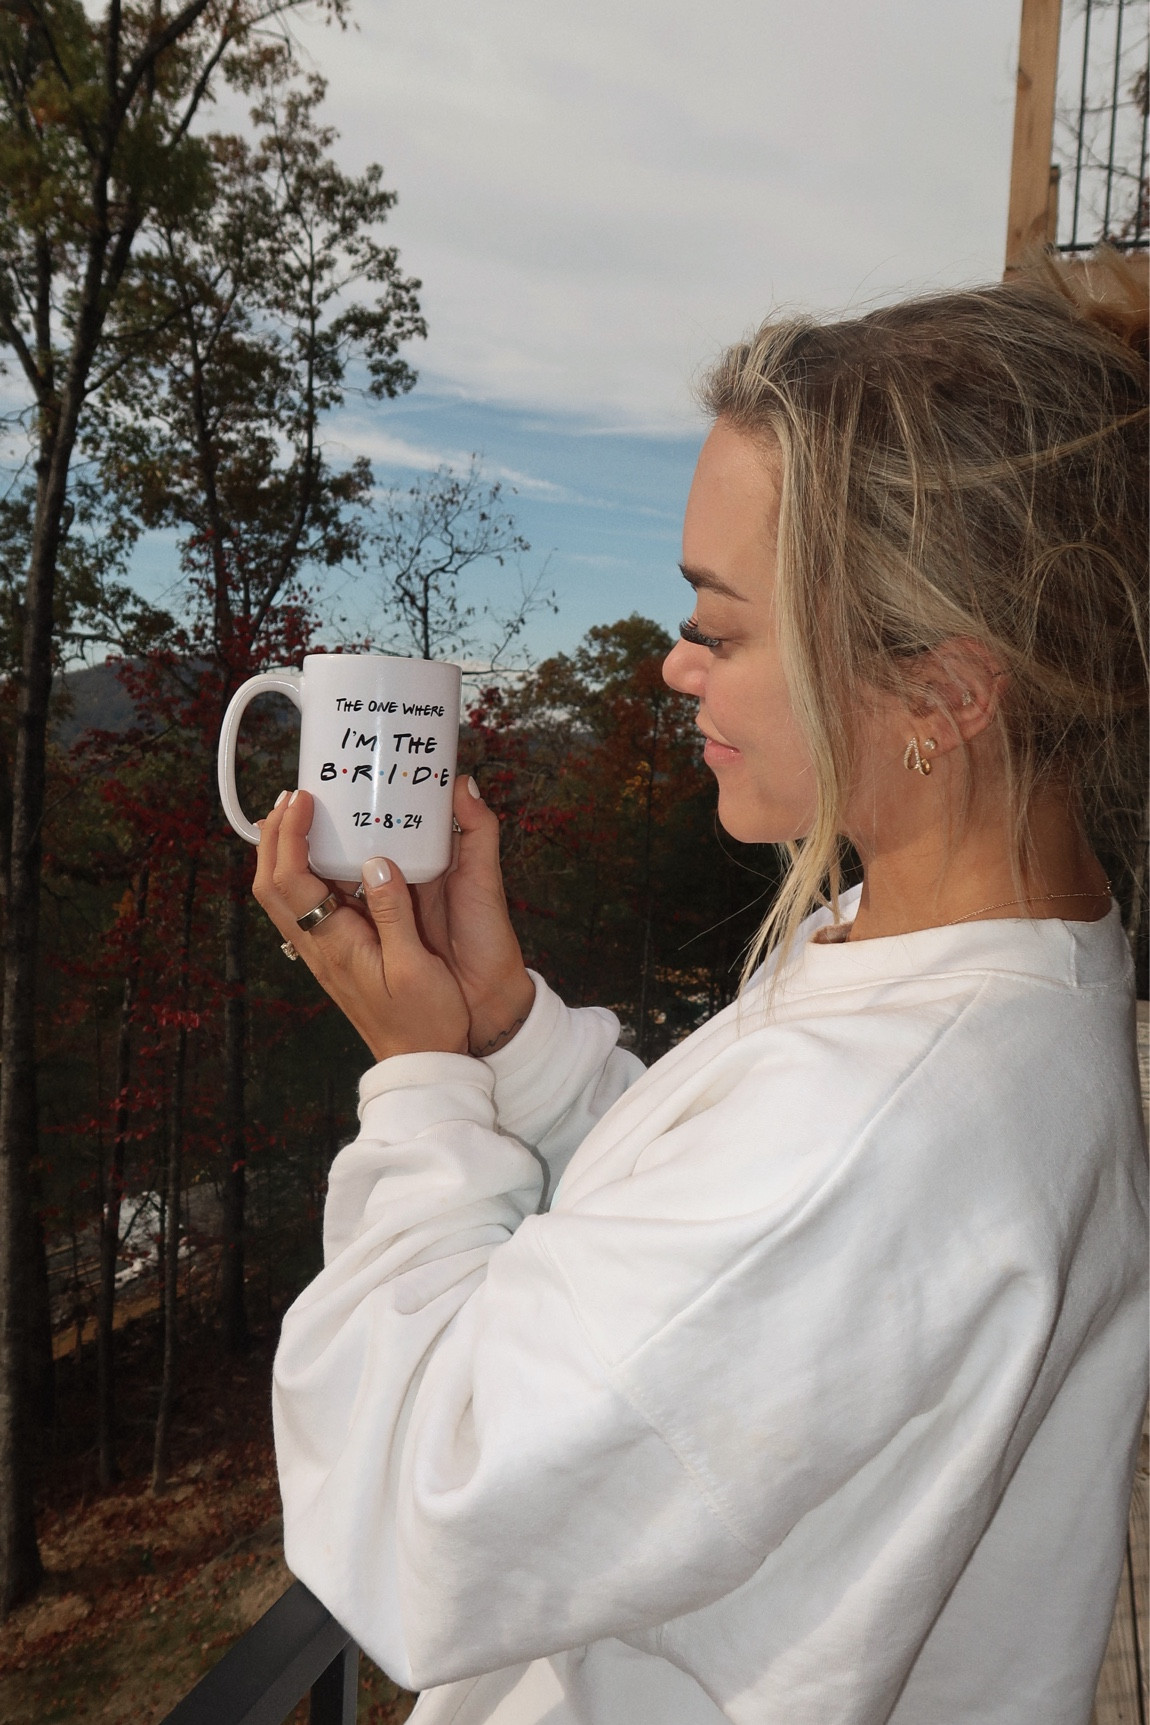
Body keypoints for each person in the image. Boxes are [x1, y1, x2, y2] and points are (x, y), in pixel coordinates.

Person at [255, 253, 1148, 1725]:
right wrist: (507, 1044)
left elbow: (428, 1511)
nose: (676, 667)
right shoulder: (946, 955)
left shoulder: (889, 1124)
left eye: (721, 626)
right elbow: (699, 1246)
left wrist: (417, 1094)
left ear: (940, 690)